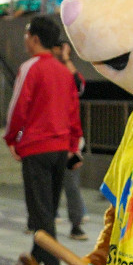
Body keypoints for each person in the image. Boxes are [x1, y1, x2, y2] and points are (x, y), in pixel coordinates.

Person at [4, 17, 83, 265]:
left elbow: (18, 107)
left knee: (41, 212)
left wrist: (11, 138)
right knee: (47, 209)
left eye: (27, 35)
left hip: (36, 148)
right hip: (60, 148)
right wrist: (73, 144)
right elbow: (73, 111)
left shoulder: (30, 68)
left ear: (35, 39)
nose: (25, 39)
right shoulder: (64, 72)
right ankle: (35, 261)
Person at [53, 40, 88, 238]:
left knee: (72, 185)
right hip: (50, 139)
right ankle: (43, 223)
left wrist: (74, 147)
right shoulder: (48, 72)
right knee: (49, 185)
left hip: (69, 141)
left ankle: (76, 224)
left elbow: (79, 85)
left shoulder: (71, 84)